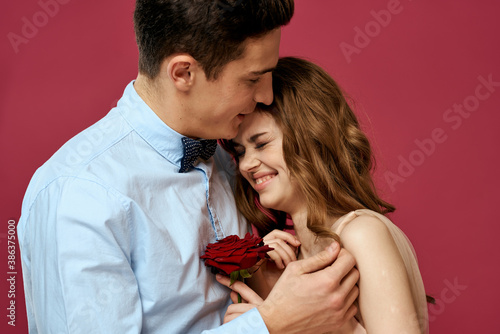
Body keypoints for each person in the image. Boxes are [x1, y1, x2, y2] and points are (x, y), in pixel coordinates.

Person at [17, 2, 360, 333]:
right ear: (184, 73)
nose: (268, 96)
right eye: (253, 79)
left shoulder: (231, 159)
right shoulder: (79, 193)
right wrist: (272, 324)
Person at [220, 57, 430, 333]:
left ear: (312, 137)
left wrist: (336, 325)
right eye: (240, 152)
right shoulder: (289, 263)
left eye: (261, 143)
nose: (246, 165)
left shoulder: (361, 233)